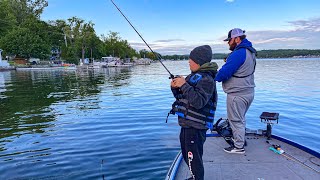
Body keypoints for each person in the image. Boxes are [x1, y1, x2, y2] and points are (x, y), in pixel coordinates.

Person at [170, 45, 218, 180]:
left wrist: (183, 85)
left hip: (196, 127)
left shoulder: (207, 80)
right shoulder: (194, 76)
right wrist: (175, 87)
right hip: (187, 124)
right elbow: (182, 98)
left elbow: (198, 102)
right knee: (187, 154)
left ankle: (198, 178)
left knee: (193, 158)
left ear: (199, 62)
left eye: (191, 60)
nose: (189, 62)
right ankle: (195, 176)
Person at [215, 28, 257, 154]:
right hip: (248, 92)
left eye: (230, 40)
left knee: (236, 121)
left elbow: (223, 74)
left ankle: (238, 147)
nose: (228, 43)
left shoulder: (238, 53)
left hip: (237, 95)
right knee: (241, 119)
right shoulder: (250, 51)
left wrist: (213, 76)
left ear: (237, 39)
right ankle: (240, 139)